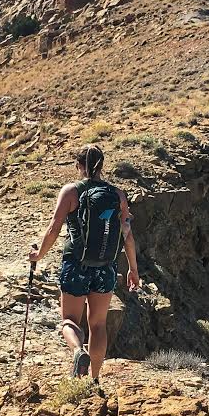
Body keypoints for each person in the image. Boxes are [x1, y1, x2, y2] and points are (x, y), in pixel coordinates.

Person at [29, 144, 140, 382]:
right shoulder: (117, 195)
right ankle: (96, 379)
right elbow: (127, 235)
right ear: (102, 166)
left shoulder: (71, 191)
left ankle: (79, 351)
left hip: (76, 265)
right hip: (106, 267)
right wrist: (133, 269)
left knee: (69, 321)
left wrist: (39, 255)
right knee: (98, 324)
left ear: (79, 166)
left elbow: (54, 228)